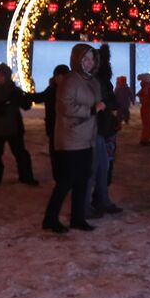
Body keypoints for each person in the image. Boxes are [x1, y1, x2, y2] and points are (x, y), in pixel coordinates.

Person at [43, 44, 105, 234]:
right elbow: (66, 108)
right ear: (77, 59)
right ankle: (50, 218)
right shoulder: (70, 81)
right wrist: (93, 110)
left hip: (87, 138)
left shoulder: (93, 81)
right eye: (85, 58)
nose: (89, 62)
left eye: (91, 59)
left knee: (83, 181)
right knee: (66, 181)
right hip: (70, 138)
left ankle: (77, 218)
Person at [0, 63, 38, 188]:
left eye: (1, 75)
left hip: (14, 129)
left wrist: (24, 98)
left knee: (21, 155)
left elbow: (26, 106)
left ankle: (26, 177)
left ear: (7, 76)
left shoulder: (15, 92)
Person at [87, 53, 129, 218]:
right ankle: (90, 203)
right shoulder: (91, 82)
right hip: (96, 130)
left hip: (104, 129)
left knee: (104, 167)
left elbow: (112, 101)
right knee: (95, 169)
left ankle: (100, 200)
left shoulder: (101, 82)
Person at [30, 64, 70, 157]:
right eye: (57, 76)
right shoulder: (51, 90)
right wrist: (25, 95)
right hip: (53, 128)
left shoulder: (70, 90)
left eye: (62, 76)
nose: (59, 79)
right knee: (55, 157)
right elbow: (38, 98)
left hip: (66, 130)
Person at [136, 73, 150, 146]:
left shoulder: (143, 87)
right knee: (149, 125)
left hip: (144, 108)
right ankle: (145, 140)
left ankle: (144, 139)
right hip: (149, 108)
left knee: (145, 125)